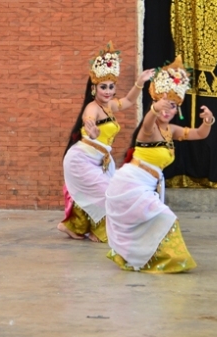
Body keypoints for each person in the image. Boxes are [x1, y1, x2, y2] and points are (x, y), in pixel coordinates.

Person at [105, 56, 214, 273]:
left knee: (150, 222)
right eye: (163, 104)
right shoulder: (150, 127)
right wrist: (154, 110)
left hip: (146, 185)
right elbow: (146, 122)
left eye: (172, 106)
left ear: (177, 109)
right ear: (155, 103)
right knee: (164, 217)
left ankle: (147, 257)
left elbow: (199, 134)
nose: (167, 110)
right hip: (130, 184)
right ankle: (167, 260)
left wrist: (208, 121)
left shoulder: (170, 130)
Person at [57, 41, 154, 242]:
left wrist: (140, 82)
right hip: (81, 160)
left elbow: (128, 101)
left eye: (111, 86)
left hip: (100, 160)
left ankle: (73, 226)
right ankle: (98, 232)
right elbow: (88, 119)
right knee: (108, 194)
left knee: (107, 193)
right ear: (94, 88)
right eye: (103, 87)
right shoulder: (92, 107)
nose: (108, 91)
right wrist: (91, 129)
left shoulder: (109, 105)